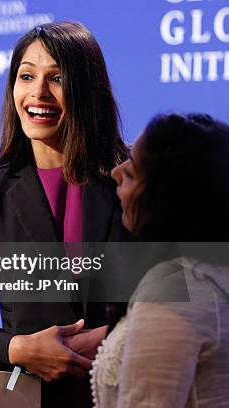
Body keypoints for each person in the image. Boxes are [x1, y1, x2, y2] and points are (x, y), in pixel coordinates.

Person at [0, 22, 131, 406]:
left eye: (57, 78)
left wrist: (114, 335)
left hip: (127, 390)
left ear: (86, 87)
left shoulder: (131, 181)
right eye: (26, 76)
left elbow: (181, 300)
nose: (38, 93)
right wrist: (18, 348)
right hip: (30, 397)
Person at [92, 113, 229, 407]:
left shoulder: (173, 290)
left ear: (167, 201)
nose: (115, 172)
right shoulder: (213, 272)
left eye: (131, 174)